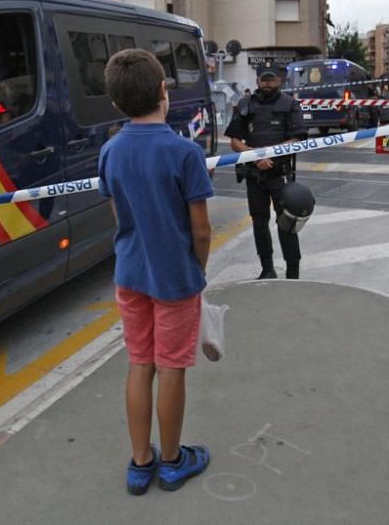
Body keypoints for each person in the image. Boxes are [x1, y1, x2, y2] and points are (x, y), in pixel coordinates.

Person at [98, 48, 213, 495]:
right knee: (171, 368)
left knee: (139, 364)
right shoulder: (183, 152)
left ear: (115, 102)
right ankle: (172, 460)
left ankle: (139, 462)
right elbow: (200, 230)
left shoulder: (110, 151)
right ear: (164, 91)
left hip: (130, 275)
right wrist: (196, 273)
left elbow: (119, 216)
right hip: (175, 281)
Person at [225, 60, 309, 279]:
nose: (268, 83)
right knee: (259, 222)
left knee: (287, 222)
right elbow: (234, 141)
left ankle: (293, 272)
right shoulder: (246, 104)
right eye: (264, 79)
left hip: (279, 174)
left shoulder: (290, 104)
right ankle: (267, 269)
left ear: (279, 80)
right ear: (257, 80)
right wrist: (255, 156)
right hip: (255, 174)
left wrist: (270, 155)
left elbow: (297, 139)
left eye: (272, 79)